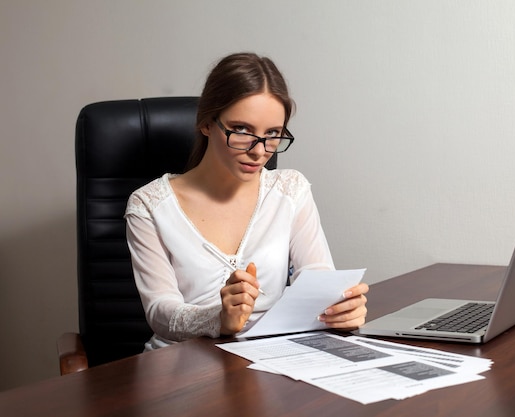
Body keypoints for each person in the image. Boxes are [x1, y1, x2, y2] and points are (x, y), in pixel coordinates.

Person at [124, 52, 369, 350]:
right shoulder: (149, 206)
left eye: (273, 133)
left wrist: (339, 309)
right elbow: (160, 312)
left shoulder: (290, 190)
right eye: (241, 130)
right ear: (206, 123)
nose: (259, 151)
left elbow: (317, 279)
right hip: (181, 368)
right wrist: (219, 318)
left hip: (268, 360)